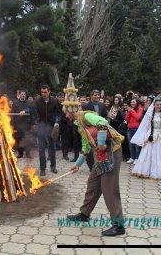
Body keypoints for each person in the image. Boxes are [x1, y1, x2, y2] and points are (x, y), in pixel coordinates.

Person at [63, 80, 125, 237]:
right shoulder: (79, 125)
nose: (65, 115)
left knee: (109, 188)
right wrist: (77, 164)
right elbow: (85, 148)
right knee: (93, 184)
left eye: (66, 112)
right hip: (100, 154)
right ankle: (84, 214)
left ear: (71, 110)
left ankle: (118, 225)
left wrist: (102, 142)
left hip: (111, 151)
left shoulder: (87, 115)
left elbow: (103, 123)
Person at [130, 97, 161, 180]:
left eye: (160, 104)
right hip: (151, 136)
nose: (159, 106)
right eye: (157, 104)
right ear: (154, 105)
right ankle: (146, 171)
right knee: (148, 154)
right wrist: (145, 136)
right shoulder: (149, 114)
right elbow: (145, 126)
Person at [33, 85, 60, 176]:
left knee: (52, 148)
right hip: (41, 127)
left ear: (49, 92)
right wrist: (36, 122)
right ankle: (42, 168)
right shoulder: (37, 101)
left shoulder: (54, 101)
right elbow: (34, 113)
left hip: (51, 127)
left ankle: (53, 166)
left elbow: (58, 113)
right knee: (41, 149)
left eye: (45, 92)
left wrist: (56, 122)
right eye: (42, 92)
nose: (43, 94)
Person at [11, 90, 33, 158]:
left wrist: (24, 111)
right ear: (19, 95)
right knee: (19, 139)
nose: (23, 95)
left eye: (24, 94)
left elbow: (31, 109)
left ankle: (28, 153)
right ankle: (20, 154)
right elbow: (13, 114)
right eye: (22, 94)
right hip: (18, 124)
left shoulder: (28, 102)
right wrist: (13, 124)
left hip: (26, 123)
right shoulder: (15, 103)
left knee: (27, 139)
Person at [125, 98, 143, 164]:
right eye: (131, 102)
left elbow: (138, 118)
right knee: (131, 144)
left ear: (137, 102)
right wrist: (129, 112)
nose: (132, 103)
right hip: (130, 129)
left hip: (137, 129)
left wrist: (132, 111)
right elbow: (126, 118)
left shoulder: (140, 108)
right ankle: (132, 158)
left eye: (134, 102)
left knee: (137, 145)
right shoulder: (130, 109)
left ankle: (137, 158)